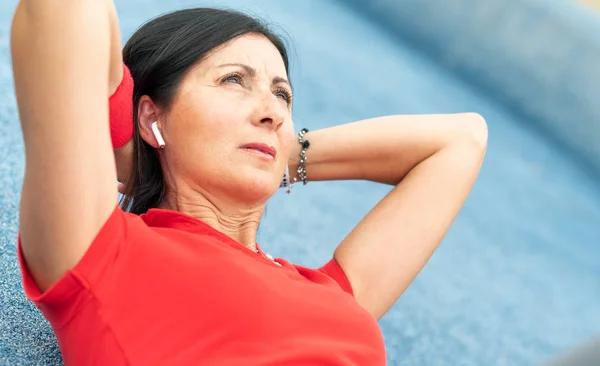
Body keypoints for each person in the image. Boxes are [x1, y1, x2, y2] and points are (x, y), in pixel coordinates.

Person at [10, 0, 488, 364]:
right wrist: (126, 150)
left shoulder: (332, 295)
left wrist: (280, 151)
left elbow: (463, 138)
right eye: (234, 81)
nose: (273, 112)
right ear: (153, 114)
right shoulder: (105, 251)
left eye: (282, 95)